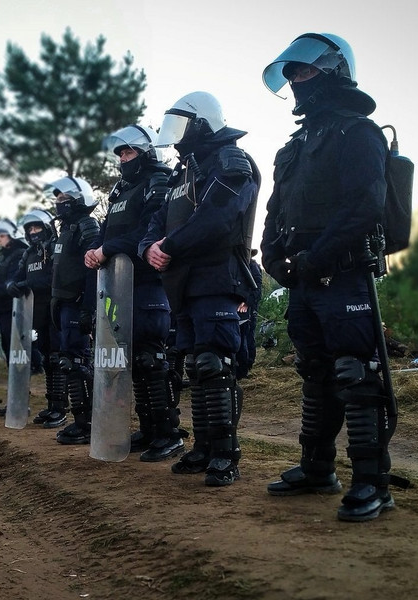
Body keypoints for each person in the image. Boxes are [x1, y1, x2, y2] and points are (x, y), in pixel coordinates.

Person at [259, 33, 396, 521]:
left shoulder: (358, 132)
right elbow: (275, 211)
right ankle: (317, 468)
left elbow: (366, 205)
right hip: (299, 279)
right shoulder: (293, 147)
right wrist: (272, 257)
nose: (296, 80)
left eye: (305, 71)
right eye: (291, 73)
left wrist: (316, 258)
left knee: (355, 374)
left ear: (334, 71)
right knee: (315, 373)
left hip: (342, 275)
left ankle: (372, 483)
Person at [139, 91, 261, 487]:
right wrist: (148, 248)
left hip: (219, 277)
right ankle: (204, 447)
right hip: (184, 283)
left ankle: (226, 454)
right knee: (194, 365)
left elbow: (217, 220)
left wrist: (167, 247)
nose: (175, 138)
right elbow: (157, 221)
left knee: (215, 364)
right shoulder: (184, 171)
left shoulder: (231, 161)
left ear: (203, 123)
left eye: (181, 126)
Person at [86, 124, 183, 462]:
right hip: (119, 288)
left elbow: (148, 231)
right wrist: (97, 249)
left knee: (151, 359)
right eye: (121, 154)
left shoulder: (159, 181)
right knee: (135, 364)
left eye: (128, 152)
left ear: (145, 152)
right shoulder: (119, 193)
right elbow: (109, 232)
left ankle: (168, 433)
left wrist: (107, 249)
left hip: (149, 285)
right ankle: (149, 427)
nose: (124, 159)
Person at [47, 176, 100, 445]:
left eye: (65, 200)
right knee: (67, 361)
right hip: (62, 304)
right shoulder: (65, 229)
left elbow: (93, 269)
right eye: (57, 200)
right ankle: (79, 421)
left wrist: (88, 310)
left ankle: (88, 424)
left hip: (78, 303)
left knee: (78, 362)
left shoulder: (87, 225)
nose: (60, 204)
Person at [6, 208, 59, 424]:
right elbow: (18, 275)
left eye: (37, 227)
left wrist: (27, 284)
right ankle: (50, 405)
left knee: (58, 357)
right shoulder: (29, 253)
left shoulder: (54, 247)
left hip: (55, 309)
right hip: (36, 312)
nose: (34, 231)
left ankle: (60, 407)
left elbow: (53, 278)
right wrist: (11, 284)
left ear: (46, 227)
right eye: (30, 229)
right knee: (47, 358)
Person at [0, 219, 28, 417]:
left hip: (15, 311)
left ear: (12, 235)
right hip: (4, 311)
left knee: (17, 356)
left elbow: (9, 286)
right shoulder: (5, 256)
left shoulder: (19, 254)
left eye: (2, 235)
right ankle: (15, 399)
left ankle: (20, 401)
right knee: (10, 355)